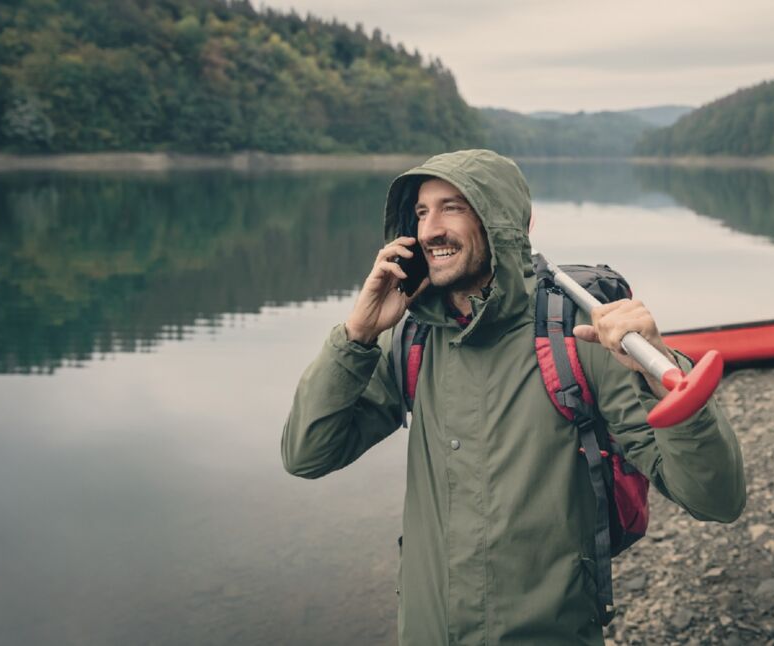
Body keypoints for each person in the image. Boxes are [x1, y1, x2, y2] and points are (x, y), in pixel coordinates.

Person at [283, 149, 745, 645]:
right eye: (420, 212)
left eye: (453, 207)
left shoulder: (579, 337)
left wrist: (663, 375)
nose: (430, 229)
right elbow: (308, 455)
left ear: (500, 223)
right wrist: (356, 335)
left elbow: (715, 499)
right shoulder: (411, 339)